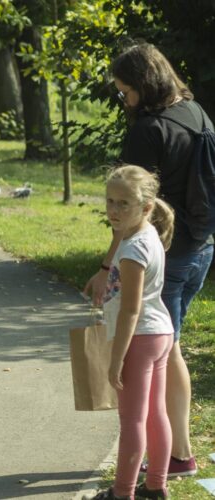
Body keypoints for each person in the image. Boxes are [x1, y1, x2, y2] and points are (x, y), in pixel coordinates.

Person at [85, 42, 214, 479]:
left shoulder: (149, 129)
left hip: (164, 256)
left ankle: (177, 454)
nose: (124, 99)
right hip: (199, 246)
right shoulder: (196, 113)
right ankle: (174, 455)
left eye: (125, 91)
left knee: (167, 347)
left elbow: (127, 209)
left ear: (144, 83)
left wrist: (106, 267)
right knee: (170, 344)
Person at [90, 166, 176, 500]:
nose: (114, 210)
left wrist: (116, 359)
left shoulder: (132, 251)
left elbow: (130, 309)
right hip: (159, 334)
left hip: (139, 339)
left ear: (146, 207)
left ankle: (122, 493)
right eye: (110, 201)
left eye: (124, 203)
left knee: (133, 421)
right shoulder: (145, 235)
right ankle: (156, 487)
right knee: (155, 414)